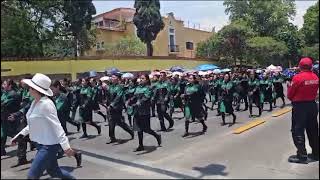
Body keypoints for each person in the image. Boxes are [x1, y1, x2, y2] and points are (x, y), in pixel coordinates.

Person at [10, 73, 81, 179]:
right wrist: (19, 136)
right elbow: (32, 124)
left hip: (49, 146)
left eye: (30, 87)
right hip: (41, 144)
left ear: (35, 89)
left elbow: (57, 127)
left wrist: (66, 147)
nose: (28, 90)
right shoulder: (35, 102)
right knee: (55, 172)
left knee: (32, 176)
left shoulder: (46, 105)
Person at [287, 57, 319, 164]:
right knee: (313, 130)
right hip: (312, 105)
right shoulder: (315, 77)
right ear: (311, 66)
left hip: (300, 107)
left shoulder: (297, 78)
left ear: (300, 66)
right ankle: (316, 153)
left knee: (298, 130)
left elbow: (290, 95)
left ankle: (302, 155)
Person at [129, 74, 161, 151]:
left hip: (144, 111)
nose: (141, 80)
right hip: (137, 111)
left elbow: (146, 97)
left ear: (147, 80)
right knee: (139, 129)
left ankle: (157, 136)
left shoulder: (148, 88)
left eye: (143, 78)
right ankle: (141, 145)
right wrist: (130, 100)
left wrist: (139, 102)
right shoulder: (137, 88)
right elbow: (135, 96)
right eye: (140, 78)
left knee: (147, 129)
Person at [106, 74, 134, 144]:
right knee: (111, 122)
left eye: (113, 77)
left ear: (118, 79)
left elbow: (118, 97)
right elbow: (108, 96)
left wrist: (112, 105)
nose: (112, 78)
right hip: (110, 107)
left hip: (117, 107)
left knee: (120, 122)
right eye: (111, 77)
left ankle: (130, 131)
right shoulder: (110, 87)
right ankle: (112, 137)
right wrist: (107, 103)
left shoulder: (120, 87)